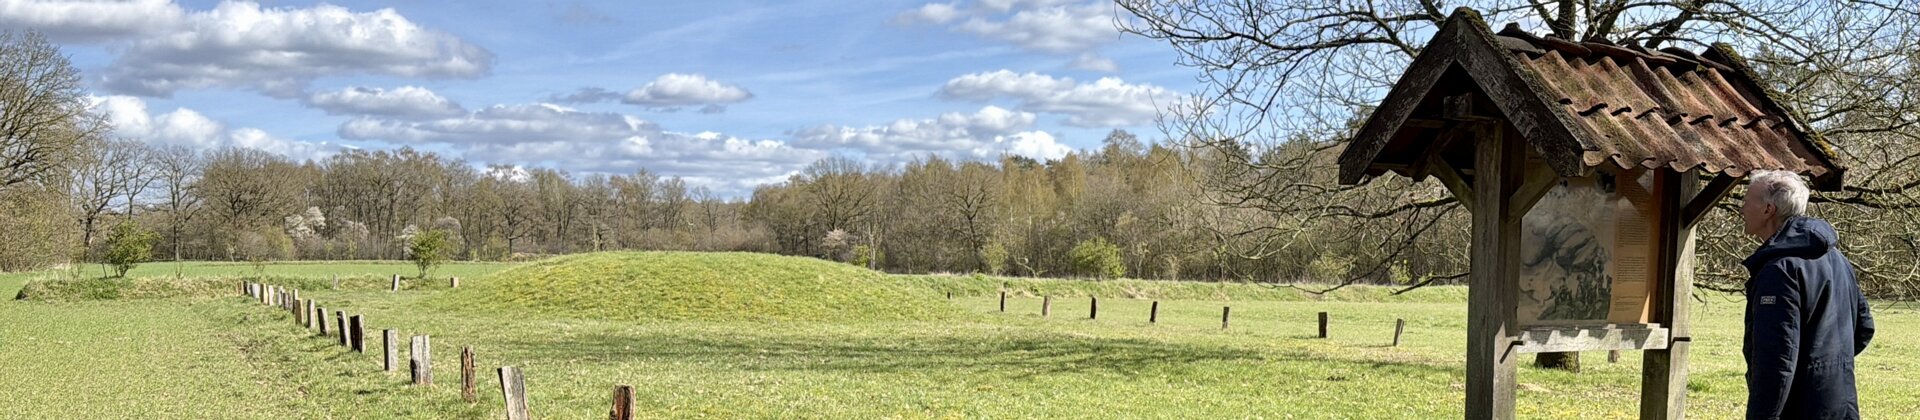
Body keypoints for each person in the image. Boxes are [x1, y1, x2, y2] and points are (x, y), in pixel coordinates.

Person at [1738, 170, 1875, 420]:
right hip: (1841, 405)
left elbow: (1777, 360)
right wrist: (1825, 366)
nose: (1742, 207)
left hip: (1798, 408)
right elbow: (1863, 328)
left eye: (1747, 199)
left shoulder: (1778, 270)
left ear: (1769, 209)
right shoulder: (1838, 260)